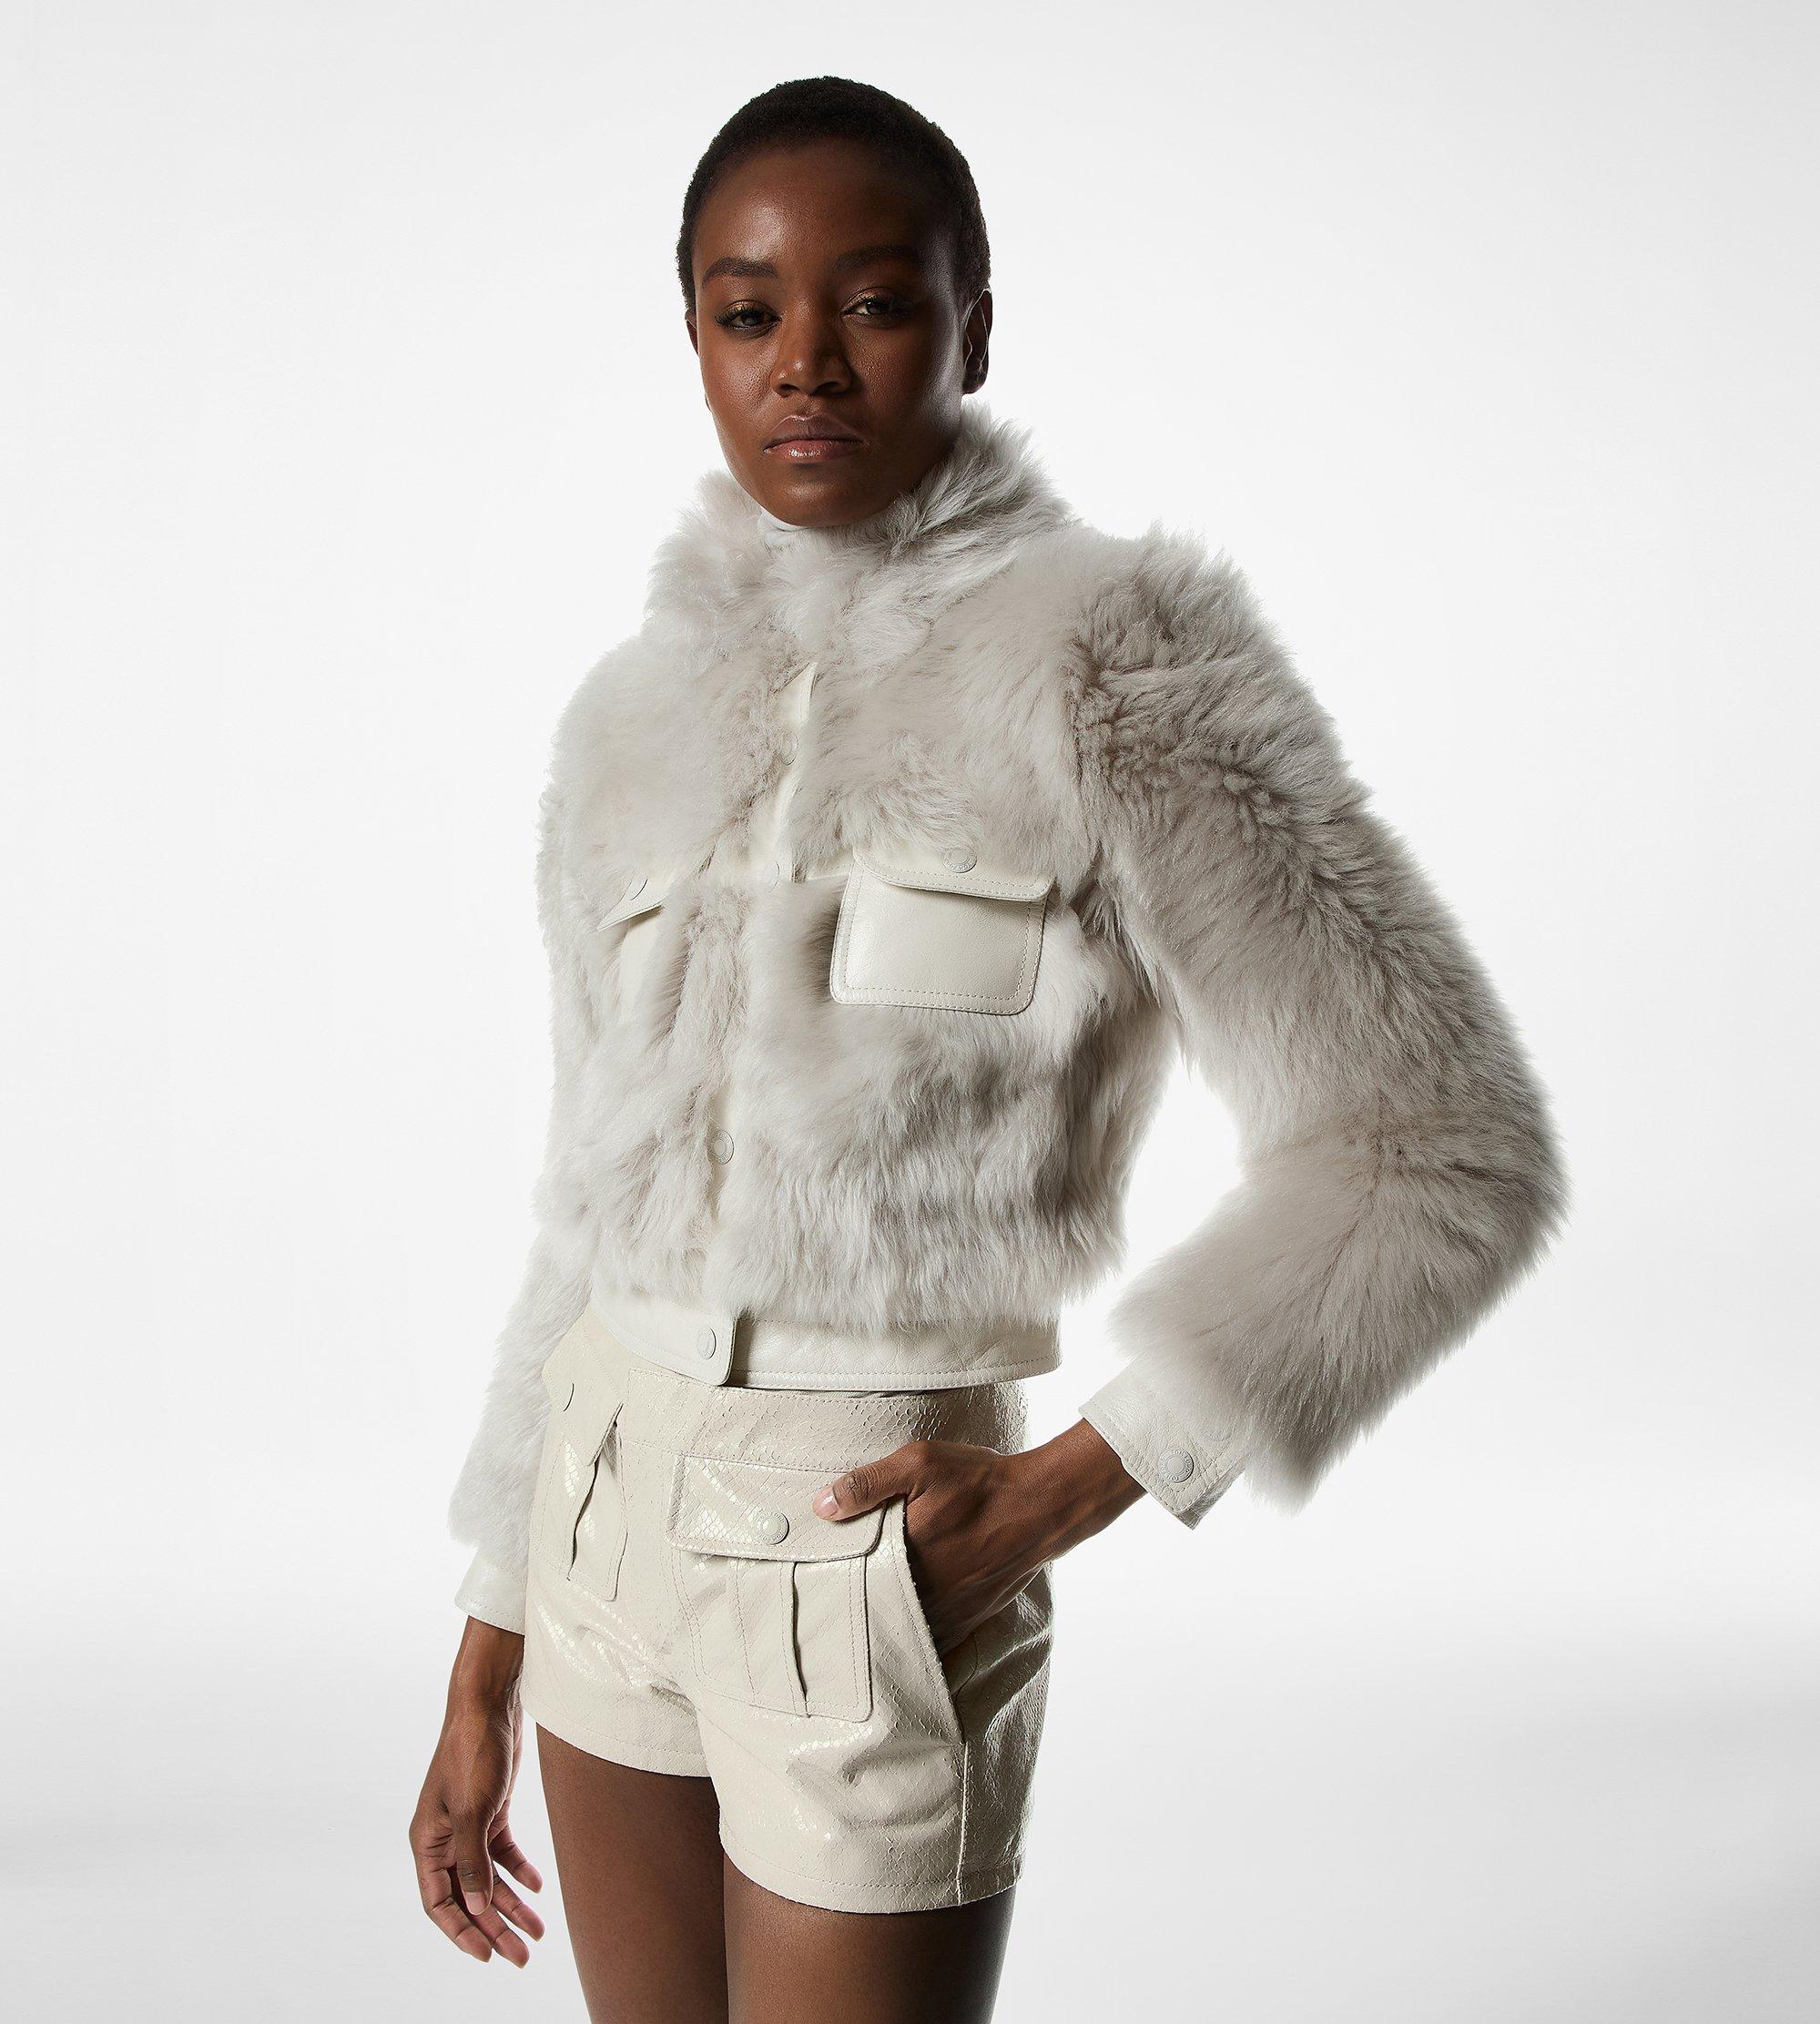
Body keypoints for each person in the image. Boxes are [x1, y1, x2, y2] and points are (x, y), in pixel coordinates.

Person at [410, 74, 1568, 2024]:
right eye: (747, 309)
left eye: (874, 301)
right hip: (597, 1509)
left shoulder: (1112, 659)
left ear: (973, 324)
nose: (805, 362)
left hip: (868, 1522)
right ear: (692, 334)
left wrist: (1077, 1482)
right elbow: (584, 1205)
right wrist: (489, 1628)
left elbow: (1437, 1142)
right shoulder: (624, 724)